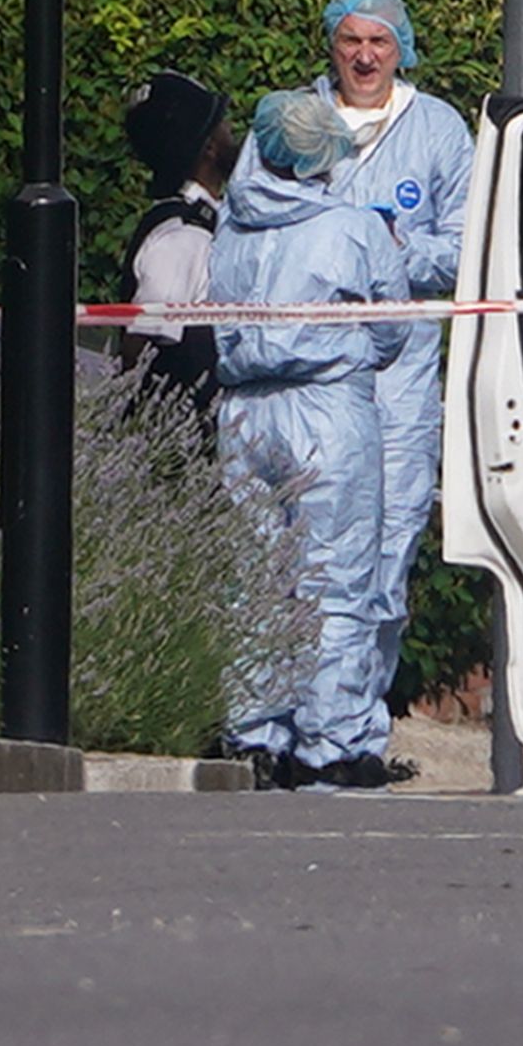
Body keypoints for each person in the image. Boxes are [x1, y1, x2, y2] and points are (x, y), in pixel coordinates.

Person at [210, 90, 409, 789]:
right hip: (327, 410)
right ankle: (332, 739)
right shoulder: (353, 229)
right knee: (337, 576)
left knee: (255, 578)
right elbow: (393, 328)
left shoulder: (229, 228)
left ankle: (254, 731)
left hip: (242, 412)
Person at [307, 0, 474, 725]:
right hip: (307, 373)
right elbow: (250, 220)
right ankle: (295, 717)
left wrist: (398, 250)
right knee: (302, 554)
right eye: (351, 41)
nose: (365, 56)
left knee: (386, 549)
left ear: (400, 47)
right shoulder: (295, 123)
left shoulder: (437, 129)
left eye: (379, 42)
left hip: (399, 379)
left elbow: (470, 246)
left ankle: (354, 724)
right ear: (331, 46)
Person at [117, 70, 238, 415]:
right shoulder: (182, 236)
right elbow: (142, 345)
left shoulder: (202, 221)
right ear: (209, 148)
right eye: (222, 124)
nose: (231, 131)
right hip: (182, 440)